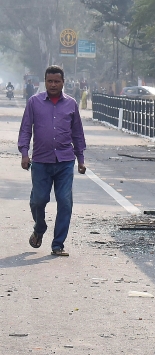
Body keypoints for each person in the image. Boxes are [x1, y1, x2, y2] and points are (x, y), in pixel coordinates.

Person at [18, 65, 87, 256]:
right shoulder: (34, 102)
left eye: (57, 81)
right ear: (45, 82)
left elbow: (77, 133)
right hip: (40, 161)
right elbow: (25, 129)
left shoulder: (71, 104)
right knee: (38, 201)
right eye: (50, 81)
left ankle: (58, 244)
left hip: (65, 161)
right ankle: (39, 228)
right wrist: (24, 153)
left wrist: (80, 159)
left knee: (65, 201)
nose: (53, 84)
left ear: (63, 82)